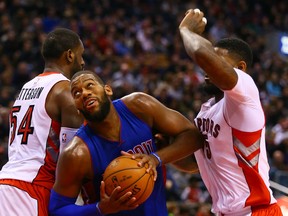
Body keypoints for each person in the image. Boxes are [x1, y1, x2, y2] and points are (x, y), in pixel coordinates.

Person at [48, 70, 204, 215]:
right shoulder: (76, 153)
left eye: (89, 85)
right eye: (77, 93)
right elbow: (57, 209)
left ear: (107, 90)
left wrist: (156, 158)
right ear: (76, 108)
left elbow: (194, 136)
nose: (85, 93)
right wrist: (101, 208)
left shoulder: (139, 106)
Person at [178, 8, 282, 215]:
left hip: (256, 210)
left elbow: (200, 53)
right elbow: (197, 164)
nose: (208, 68)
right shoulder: (204, 113)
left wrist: (186, 30)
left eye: (217, 61)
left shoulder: (245, 94)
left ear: (240, 68)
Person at [0, 28, 85, 216]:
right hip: (34, 188)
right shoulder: (65, 91)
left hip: (6, 182)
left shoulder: (25, 88)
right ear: (70, 55)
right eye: (81, 55)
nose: (83, 62)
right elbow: (70, 160)